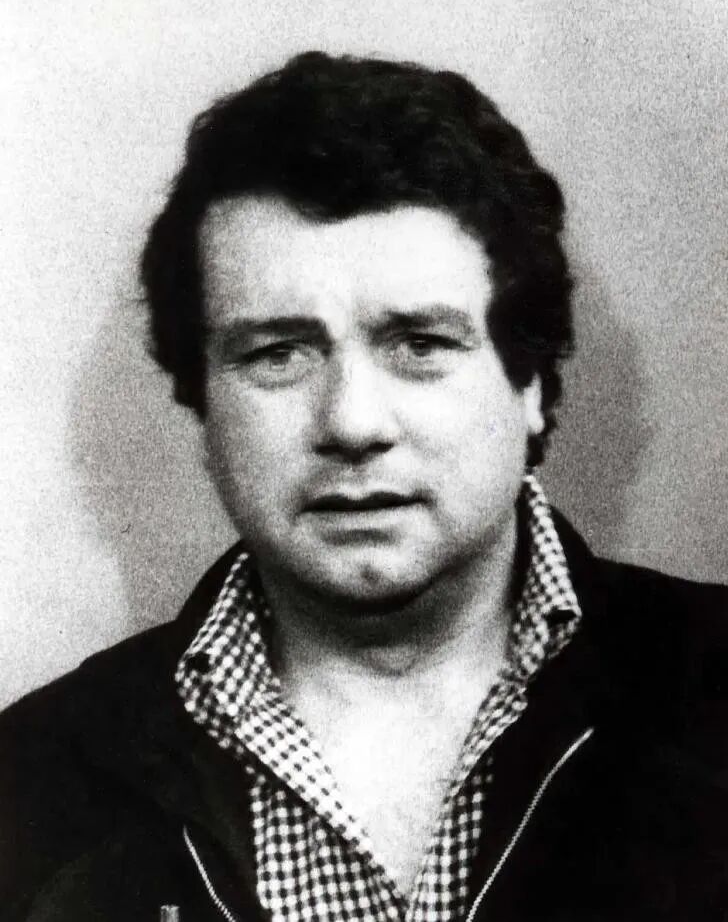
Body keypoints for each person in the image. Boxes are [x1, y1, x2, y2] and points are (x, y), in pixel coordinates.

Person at [1, 51, 726, 922]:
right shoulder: (28, 786)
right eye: (278, 354)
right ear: (203, 406)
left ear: (529, 382)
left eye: (419, 344)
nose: (351, 423)